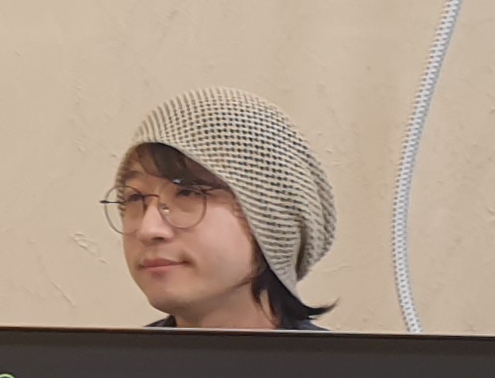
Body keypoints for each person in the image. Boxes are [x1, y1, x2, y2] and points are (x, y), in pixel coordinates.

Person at [109, 88, 338, 331]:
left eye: (188, 192)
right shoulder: (108, 356)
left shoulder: (339, 358)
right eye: (135, 197)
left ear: (272, 221)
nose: (148, 229)